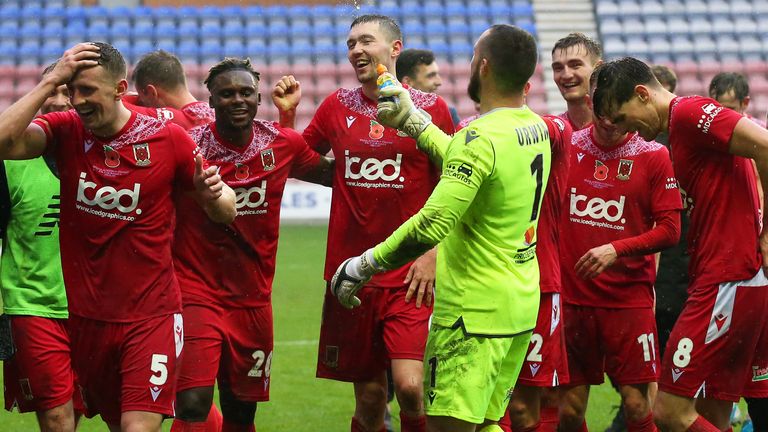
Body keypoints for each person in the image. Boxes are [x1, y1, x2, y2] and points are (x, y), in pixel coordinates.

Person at [0, 42, 236, 431]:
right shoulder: (66, 130)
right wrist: (51, 81)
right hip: (89, 323)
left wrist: (214, 192)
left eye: (86, 90)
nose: (76, 100)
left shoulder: (167, 138)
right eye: (72, 90)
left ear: (119, 88)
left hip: (151, 316)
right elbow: (6, 142)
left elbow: (226, 209)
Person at [333, 23, 550, 432]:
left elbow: (432, 223)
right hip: (518, 304)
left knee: (448, 427)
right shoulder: (533, 127)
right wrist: (414, 121)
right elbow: (471, 162)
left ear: (483, 67)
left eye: (471, 58)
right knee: (486, 423)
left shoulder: (480, 136)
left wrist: (364, 264)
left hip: (473, 314)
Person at [273, 14, 455, 432]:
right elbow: (301, 159)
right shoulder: (337, 105)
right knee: (371, 398)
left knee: (410, 388)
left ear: (395, 48)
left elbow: (454, 183)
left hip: (409, 273)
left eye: (365, 41)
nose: (355, 49)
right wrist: (287, 118)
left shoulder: (430, 109)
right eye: (351, 42)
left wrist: (432, 253)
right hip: (351, 273)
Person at [592, 57, 768, 432]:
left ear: (642, 94)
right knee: (712, 414)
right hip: (729, 279)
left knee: (669, 412)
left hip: (727, 279)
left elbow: (766, 146)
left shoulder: (688, 112)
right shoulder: (677, 132)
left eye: (623, 118)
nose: (630, 133)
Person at [170, 58, 333, 432]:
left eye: (245, 93)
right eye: (226, 94)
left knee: (241, 411)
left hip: (254, 299)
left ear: (259, 98)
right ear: (210, 101)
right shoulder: (188, 147)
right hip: (196, 292)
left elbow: (332, 175)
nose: (237, 100)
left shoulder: (281, 144)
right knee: (192, 402)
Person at [557, 78, 682, 432]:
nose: (610, 123)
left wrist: (616, 248)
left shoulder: (654, 155)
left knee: (637, 402)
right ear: (590, 103)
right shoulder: (566, 146)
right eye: (602, 114)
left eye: (617, 116)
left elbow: (670, 230)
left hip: (629, 302)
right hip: (573, 300)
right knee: (569, 409)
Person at [0, 62, 83, 432]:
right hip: (33, 306)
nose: (59, 101)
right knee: (55, 415)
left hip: (93, 308)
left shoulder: (104, 159)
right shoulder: (12, 164)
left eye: (70, 92)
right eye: (52, 91)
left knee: (77, 410)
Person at [127, 50, 215, 129]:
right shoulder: (209, 113)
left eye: (142, 100)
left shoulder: (190, 121)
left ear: (152, 92)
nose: (142, 104)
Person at [551, 33, 602, 132]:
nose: (566, 75)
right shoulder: (552, 133)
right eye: (558, 68)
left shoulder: (623, 128)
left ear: (598, 68)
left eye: (575, 65)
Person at [396, 48, 460, 125]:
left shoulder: (448, 113)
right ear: (408, 82)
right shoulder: (386, 114)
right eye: (431, 76)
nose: (439, 82)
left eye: (438, 74)